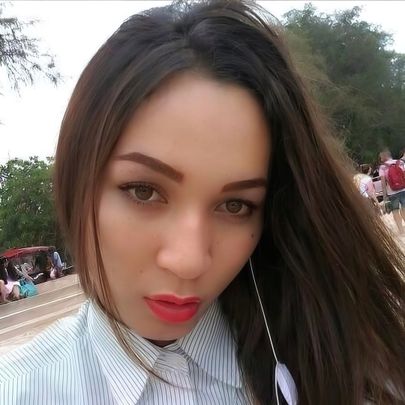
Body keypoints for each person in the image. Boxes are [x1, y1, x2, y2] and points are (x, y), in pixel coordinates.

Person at [1, 1, 404, 404]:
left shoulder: (350, 365)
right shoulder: (19, 391)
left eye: (235, 206)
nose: (189, 261)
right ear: (77, 182)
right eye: (144, 191)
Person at [378, 149, 405, 234]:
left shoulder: (382, 167)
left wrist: (385, 196)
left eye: (381, 157)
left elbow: (383, 183)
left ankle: (401, 230)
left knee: (395, 211)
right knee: (404, 209)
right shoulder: (400, 163)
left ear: (385, 156)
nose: (381, 159)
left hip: (392, 193)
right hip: (403, 190)